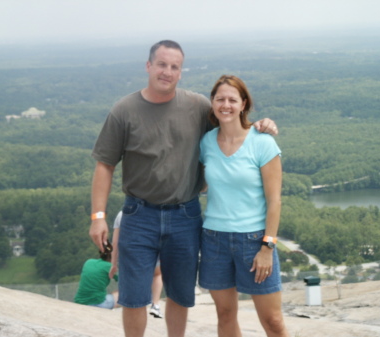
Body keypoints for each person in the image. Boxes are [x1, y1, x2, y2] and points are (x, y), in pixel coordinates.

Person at [89, 40, 278, 337]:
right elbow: (105, 164)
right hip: (139, 215)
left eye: (174, 67)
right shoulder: (124, 110)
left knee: (179, 295)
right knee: (134, 296)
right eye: (161, 64)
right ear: (148, 66)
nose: (167, 71)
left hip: (185, 215)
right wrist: (98, 215)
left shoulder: (197, 106)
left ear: (181, 72)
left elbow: (231, 123)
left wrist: (260, 125)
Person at [198, 75, 290, 337]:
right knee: (225, 315)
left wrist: (267, 246)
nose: (225, 105)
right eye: (220, 99)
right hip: (214, 240)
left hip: (254, 240)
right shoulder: (206, 142)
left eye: (232, 99)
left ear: (243, 104)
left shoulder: (262, 142)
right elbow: (203, 183)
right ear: (213, 103)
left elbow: (275, 201)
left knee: (272, 320)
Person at [109, 211, 164, 318]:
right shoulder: (153, 211)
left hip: (129, 253)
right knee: (157, 274)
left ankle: (135, 307)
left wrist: (114, 263)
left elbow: (115, 242)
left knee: (134, 281)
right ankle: (155, 304)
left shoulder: (121, 214)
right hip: (151, 251)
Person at [74, 242, 119, 310]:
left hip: (79, 302)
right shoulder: (110, 266)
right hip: (98, 304)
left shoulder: (88, 262)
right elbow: (125, 281)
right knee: (118, 294)